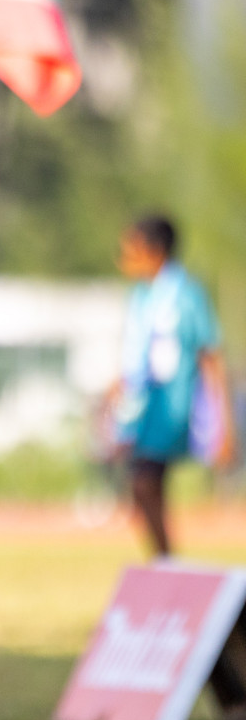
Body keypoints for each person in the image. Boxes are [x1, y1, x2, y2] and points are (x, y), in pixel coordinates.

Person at [107, 215, 236, 557]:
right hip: (142, 405)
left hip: (173, 406)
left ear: (154, 251)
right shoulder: (140, 295)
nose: (123, 259)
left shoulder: (187, 295)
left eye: (130, 250)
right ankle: (164, 563)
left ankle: (166, 562)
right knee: (143, 484)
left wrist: (226, 425)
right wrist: (118, 386)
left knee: (144, 480)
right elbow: (139, 352)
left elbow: (211, 355)